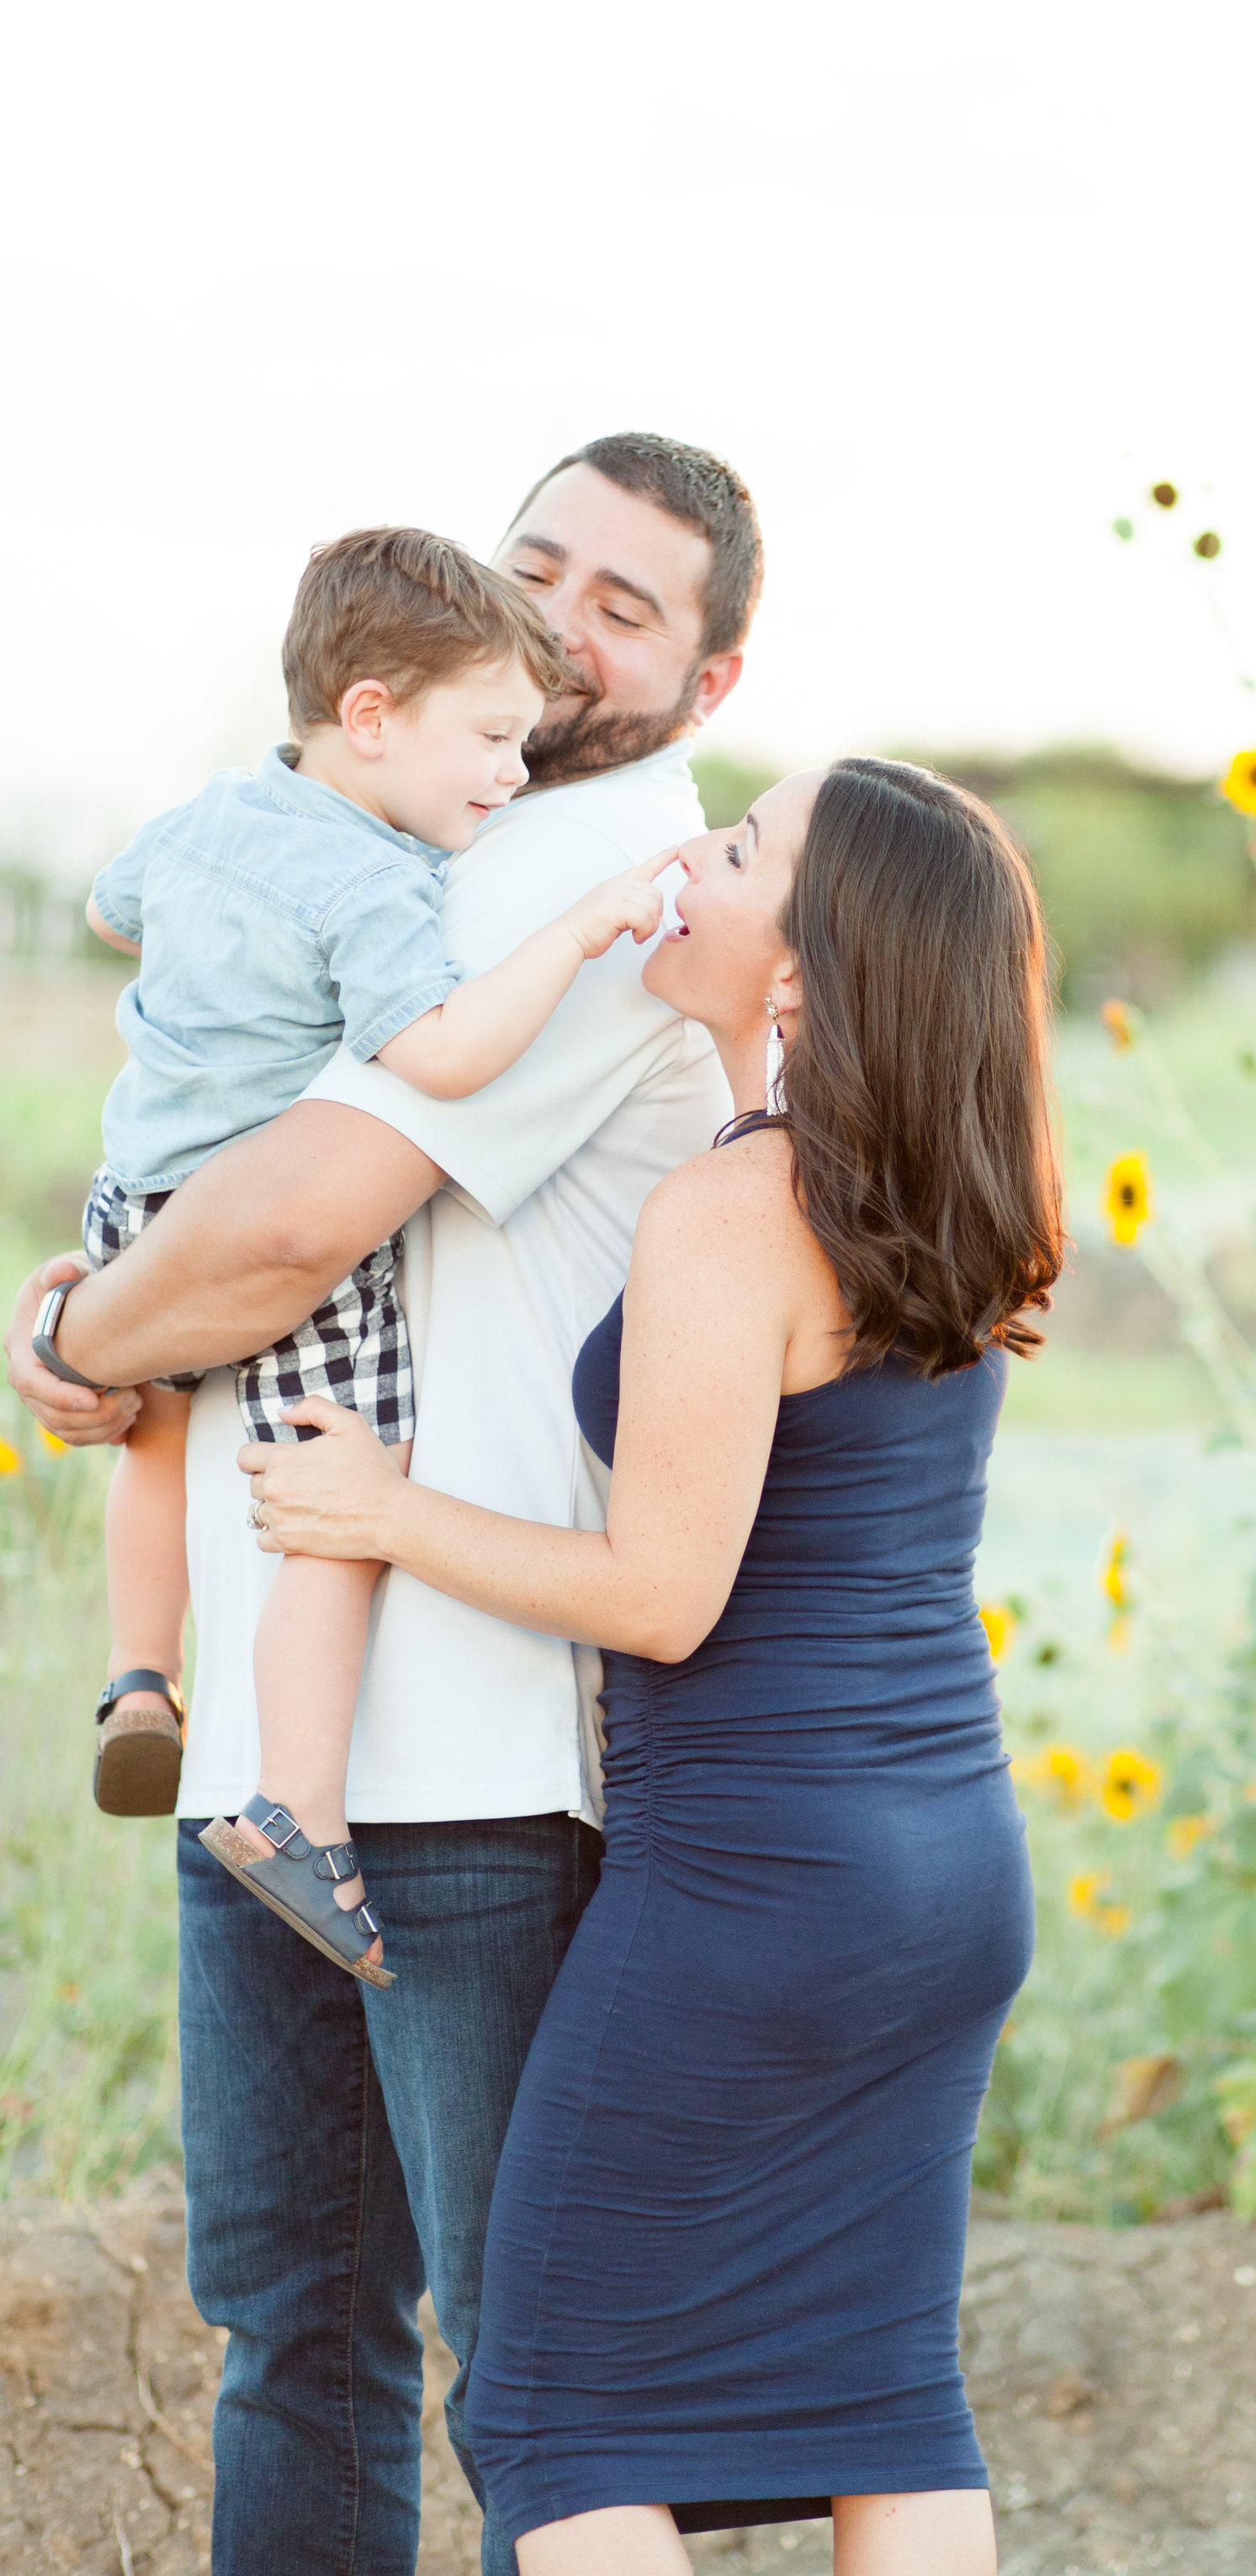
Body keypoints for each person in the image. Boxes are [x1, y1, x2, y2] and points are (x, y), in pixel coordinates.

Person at [7, 433, 760, 2576]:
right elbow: (209, 1119)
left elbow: (282, 1228)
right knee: (293, 2328)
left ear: (707, 684)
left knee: (516, 2362)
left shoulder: (594, 889)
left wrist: (81, 1337)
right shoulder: (424, 828)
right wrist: (90, 1300)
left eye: (626, 606)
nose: (561, 619)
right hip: (285, 1743)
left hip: (468, 1751)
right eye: (538, 566)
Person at [241, 758, 1061, 2576]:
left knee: (555, 2412)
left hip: (763, 1885)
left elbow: (662, 1595)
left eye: (742, 848)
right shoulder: (937, 1196)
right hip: (942, 1872)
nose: (686, 857)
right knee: (886, 2394)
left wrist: (381, 1505)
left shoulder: (729, 1216)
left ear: (805, 972)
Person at [73, 526, 677, 1992]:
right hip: (246, 1207)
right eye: (487, 740)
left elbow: (108, 909)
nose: (509, 776)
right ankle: (300, 1802)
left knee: (154, 1436)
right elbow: (449, 1052)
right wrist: (582, 928)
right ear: (368, 718)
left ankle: (138, 1673)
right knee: (340, 1492)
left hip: (131, 1201)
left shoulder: (213, 814)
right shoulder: (379, 884)